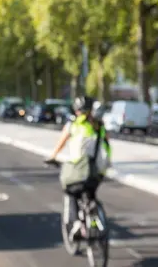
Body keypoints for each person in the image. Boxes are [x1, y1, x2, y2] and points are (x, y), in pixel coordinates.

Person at [45, 96, 111, 237]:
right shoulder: (99, 126)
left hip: (80, 169)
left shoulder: (73, 125)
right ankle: (94, 221)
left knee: (71, 191)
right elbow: (107, 144)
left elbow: (61, 142)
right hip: (98, 170)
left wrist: (53, 157)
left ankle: (76, 223)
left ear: (77, 111)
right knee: (90, 192)